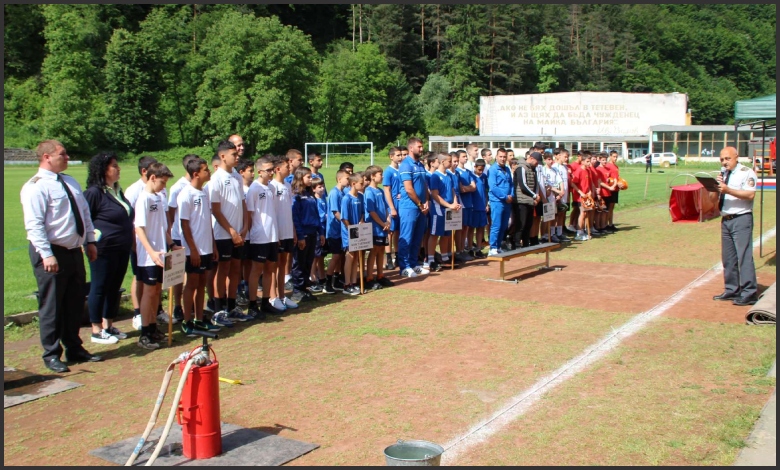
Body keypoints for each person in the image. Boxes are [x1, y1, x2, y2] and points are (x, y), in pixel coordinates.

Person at [22, 140, 101, 372]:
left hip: (73, 250)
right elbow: (34, 225)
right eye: (62, 154)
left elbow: (84, 215)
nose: (67, 158)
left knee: (74, 302)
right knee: (52, 304)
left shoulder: (69, 182)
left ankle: (74, 346)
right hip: (51, 251)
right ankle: (52, 353)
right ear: (47, 157)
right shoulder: (35, 186)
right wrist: (46, 254)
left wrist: (90, 241)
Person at [83, 152, 134, 345]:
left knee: (114, 287)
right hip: (103, 249)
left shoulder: (117, 191)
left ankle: (108, 324)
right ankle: (96, 329)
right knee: (100, 287)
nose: (118, 168)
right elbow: (84, 218)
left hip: (121, 247)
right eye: (114, 165)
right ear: (103, 170)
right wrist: (89, 243)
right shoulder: (94, 193)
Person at [134, 163, 178, 350]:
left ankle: (153, 327)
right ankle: (145, 332)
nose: (164, 186)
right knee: (149, 291)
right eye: (162, 182)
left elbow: (161, 227)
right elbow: (139, 228)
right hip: (148, 256)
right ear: (152, 178)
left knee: (157, 291)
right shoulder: (143, 198)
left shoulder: (158, 198)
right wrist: (151, 252)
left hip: (162, 253)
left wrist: (171, 244)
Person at [178, 158, 222, 335]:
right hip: (193, 249)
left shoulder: (204, 192)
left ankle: (199, 318)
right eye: (205, 170)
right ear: (196, 174)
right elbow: (185, 224)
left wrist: (213, 246)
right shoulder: (186, 194)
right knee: (192, 283)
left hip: (206, 247)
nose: (209, 172)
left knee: (202, 282)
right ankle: (186, 321)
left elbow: (206, 223)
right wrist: (193, 249)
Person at [209, 140, 250, 326]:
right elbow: (216, 210)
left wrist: (243, 227)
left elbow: (242, 202)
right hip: (223, 234)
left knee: (235, 270)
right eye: (233, 154)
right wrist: (231, 230)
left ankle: (232, 307)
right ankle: (219, 310)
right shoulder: (216, 179)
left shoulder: (235, 175)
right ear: (223, 156)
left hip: (239, 233)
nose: (237, 157)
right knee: (222, 271)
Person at [713, 147, 759, 306]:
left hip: (741, 218)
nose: (724, 162)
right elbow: (716, 197)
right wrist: (716, 186)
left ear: (736, 157)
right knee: (728, 258)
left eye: (727, 158)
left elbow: (750, 194)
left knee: (744, 256)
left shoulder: (746, 172)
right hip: (726, 218)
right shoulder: (724, 174)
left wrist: (728, 189)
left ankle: (749, 292)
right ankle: (732, 289)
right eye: (722, 159)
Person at [245, 156, 285, 316]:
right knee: (256, 270)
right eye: (268, 170)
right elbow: (249, 215)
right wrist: (247, 234)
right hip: (259, 236)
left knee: (270, 268)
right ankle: (252, 304)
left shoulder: (271, 188)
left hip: (272, 236)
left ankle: (266, 301)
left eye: (272, 170)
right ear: (259, 171)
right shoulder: (253, 189)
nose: (271, 173)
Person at [167, 154, 199, 323]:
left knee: (192, 274)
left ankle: (190, 304)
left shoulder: (198, 187)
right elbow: (171, 214)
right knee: (177, 275)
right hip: (177, 236)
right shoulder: (178, 187)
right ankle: (176, 305)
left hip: (193, 236)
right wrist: (170, 238)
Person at [290, 167, 325, 303]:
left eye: (311, 177)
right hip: (303, 233)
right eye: (308, 177)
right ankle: (297, 290)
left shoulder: (310, 194)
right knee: (299, 262)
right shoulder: (296, 195)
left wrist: (320, 232)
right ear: (300, 178)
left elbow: (316, 214)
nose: (311, 179)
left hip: (313, 233)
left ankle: (304, 288)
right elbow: (295, 217)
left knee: (308, 262)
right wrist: (300, 236)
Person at [398, 137, 431, 278]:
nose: (421, 149)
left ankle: (413, 264)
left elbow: (424, 185)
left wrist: (427, 201)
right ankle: (404, 267)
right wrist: (419, 204)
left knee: (417, 237)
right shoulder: (406, 165)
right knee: (407, 237)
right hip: (409, 207)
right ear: (411, 148)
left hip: (421, 207)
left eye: (422, 146)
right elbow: (409, 189)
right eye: (419, 147)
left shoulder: (420, 165)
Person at [270, 154, 299, 311]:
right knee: (274, 266)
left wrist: (293, 230)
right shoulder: (272, 187)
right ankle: (273, 297)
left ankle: (282, 295)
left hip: (288, 231)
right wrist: (276, 234)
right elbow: (272, 212)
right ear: (277, 169)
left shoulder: (287, 186)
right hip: (278, 232)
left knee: (283, 265)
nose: (289, 168)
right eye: (286, 166)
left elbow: (289, 211)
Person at [427, 154, 462, 271]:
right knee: (435, 234)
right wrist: (449, 205)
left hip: (449, 209)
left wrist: (455, 203)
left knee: (447, 234)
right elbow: (435, 194)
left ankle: (445, 257)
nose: (451, 163)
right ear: (442, 161)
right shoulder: (435, 176)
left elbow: (453, 191)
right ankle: (430, 259)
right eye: (449, 161)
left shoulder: (449, 176)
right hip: (439, 210)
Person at [363, 165, 394, 289]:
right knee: (374, 250)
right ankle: (369, 277)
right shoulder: (369, 191)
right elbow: (371, 211)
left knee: (381, 250)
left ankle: (380, 275)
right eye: (380, 174)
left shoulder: (380, 191)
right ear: (372, 176)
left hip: (383, 227)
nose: (382, 176)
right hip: (375, 227)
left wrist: (388, 220)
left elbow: (387, 208)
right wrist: (382, 224)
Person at [324, 170, 349, 294]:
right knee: (335, 256)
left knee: (340, 255)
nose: (348, 181)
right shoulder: (334, 193)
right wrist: (346, 223)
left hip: (341, 230)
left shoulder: (343, 192)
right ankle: (327, 283)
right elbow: (336, 212)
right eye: (346, 178)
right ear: (339, 179)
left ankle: (336, 279)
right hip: (334, 230)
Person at [340, 173, 366, 295]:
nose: (363, 184)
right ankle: (347, 284)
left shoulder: (360, 197)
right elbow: (344, 218)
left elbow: (362, 213)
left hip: (358, 230)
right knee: (349, 255)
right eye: (361, 183)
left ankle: (354, 282)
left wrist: (361, 221)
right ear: (354, 184)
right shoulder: (346, 199)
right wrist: (352, 229)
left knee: (356, 255)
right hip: (349, 231)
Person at [235, 158, 255, 306]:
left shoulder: (253, 188)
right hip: (240, 232)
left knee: (248, 262)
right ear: (241, 172)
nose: (253, 174)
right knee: (238, 264)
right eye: (250, 171)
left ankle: (248, 287)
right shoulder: (240, 189)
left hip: (251, 233)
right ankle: (238, 290)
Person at [487, 148, 513, 255]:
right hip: (497, 201)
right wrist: (504, 196)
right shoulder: (493, 170)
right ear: (496, 157)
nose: (502, 159)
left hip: (507, 201)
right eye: (500, 156)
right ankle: (492, 247)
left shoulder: (507, 169)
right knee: (496, 224)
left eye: (504, 157)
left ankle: (498, 246)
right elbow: (493, 187)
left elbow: (511, 184)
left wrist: (511, 195)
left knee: (504, 225)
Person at [514, 152, 541, 249]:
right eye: (537, 162)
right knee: (521, 224)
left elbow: (535, 184)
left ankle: (526, 244)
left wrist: (536, 195)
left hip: (530, 200)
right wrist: (534, 195)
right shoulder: (521, 167)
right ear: (532, 158)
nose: (537, 164)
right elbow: (523, 185)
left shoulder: (533, 169)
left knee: (529, 224)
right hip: (521, 200)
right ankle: (517, 244)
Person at [383, 147, 403, 270]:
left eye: (401, 155)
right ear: (391, 157)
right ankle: (388, 257)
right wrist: (391, 207)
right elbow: (387, 190)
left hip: (401, 205)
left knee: (398, 232)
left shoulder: (401, 170)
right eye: (398, 155)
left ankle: (397, 256)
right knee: (390, 232)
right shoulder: (388, 171)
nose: (400, 157)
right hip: (393, 205)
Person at [456, 150, 477, 259]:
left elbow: (474, 187)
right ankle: (458, 250)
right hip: (461, 204)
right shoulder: (456, 172)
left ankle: (463, 249)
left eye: (466, 156)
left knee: (466, 227)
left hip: (469, 203)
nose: (466, 158)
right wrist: (467, 188)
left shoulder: (468, 172)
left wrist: (467, 188)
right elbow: (461, 189)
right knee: (460, 228)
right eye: (463, 156)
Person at [310, 176, 328, 292]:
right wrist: (328, 216)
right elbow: (320, 216)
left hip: (323, 231)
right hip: (317, 231)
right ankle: (312, 278)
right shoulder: (315, 201)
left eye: (323, 186)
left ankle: (322, 277)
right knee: (315, 257)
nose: (322, 189)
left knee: (321, 256)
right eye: (319, 187)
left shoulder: (323, 199)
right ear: (313, 189)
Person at [571, 153, 593, 241]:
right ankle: (579, 232)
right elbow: (573, 183)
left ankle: (583, 231)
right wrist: (580, 192)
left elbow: (587, 183)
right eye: (587, 161)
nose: (589, 163)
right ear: (583, 161)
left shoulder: (587, 171)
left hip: (586, 195)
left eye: (589, 161)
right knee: (582, 213)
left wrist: (589, 191)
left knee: (586, 213)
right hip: (580, 196)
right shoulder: (579, 171)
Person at [552, 148, 571, 243]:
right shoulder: (555, 167)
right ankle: (552, 233)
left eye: (567, 157)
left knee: (562, 214)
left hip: (565, 194)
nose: (566, 158)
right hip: (558, 195)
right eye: (565, 156)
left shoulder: (564, 167)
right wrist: (557, 194)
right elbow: (555, 182)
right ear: (559, 155)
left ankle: (560, 233)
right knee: (555, 215)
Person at [470, 159, 489, 257]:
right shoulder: (471, 176)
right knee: (471, 229)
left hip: (482, 206)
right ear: (475, 167)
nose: (481, 171)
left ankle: (478, 249)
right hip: (473, 207)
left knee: (481, 228)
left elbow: (486, 191)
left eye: (482, 169)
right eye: (479, 169)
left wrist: (487, 204)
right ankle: (469, 248)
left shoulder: (484, 177)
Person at [605, 150, 621, 232]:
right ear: (610, 156)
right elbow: (607, 179)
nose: (615, 158)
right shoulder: (608, 166)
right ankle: (606, 224)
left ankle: (610, 223)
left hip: (616, 189)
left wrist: (620, 184)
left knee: (612, 207)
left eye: (616, 157)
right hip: (610, 189)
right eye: (614, 156)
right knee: (608, 208)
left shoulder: (616, 166)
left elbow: (617, 178)